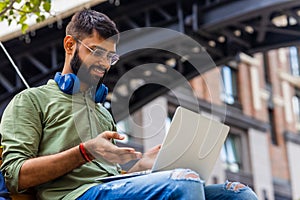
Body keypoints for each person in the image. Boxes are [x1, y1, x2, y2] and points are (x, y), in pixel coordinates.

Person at [0, 9, 258, 200]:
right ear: (70, 45)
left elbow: (111, 180)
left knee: (237, 194)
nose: (104, 63)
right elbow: (15, 175)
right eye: (96, 51)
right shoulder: (30, 100)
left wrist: (144, 164)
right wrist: (85, 151)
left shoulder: (101, 111)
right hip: (72, 196)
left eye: (110, 56)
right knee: (185, 183)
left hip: (105, 190)